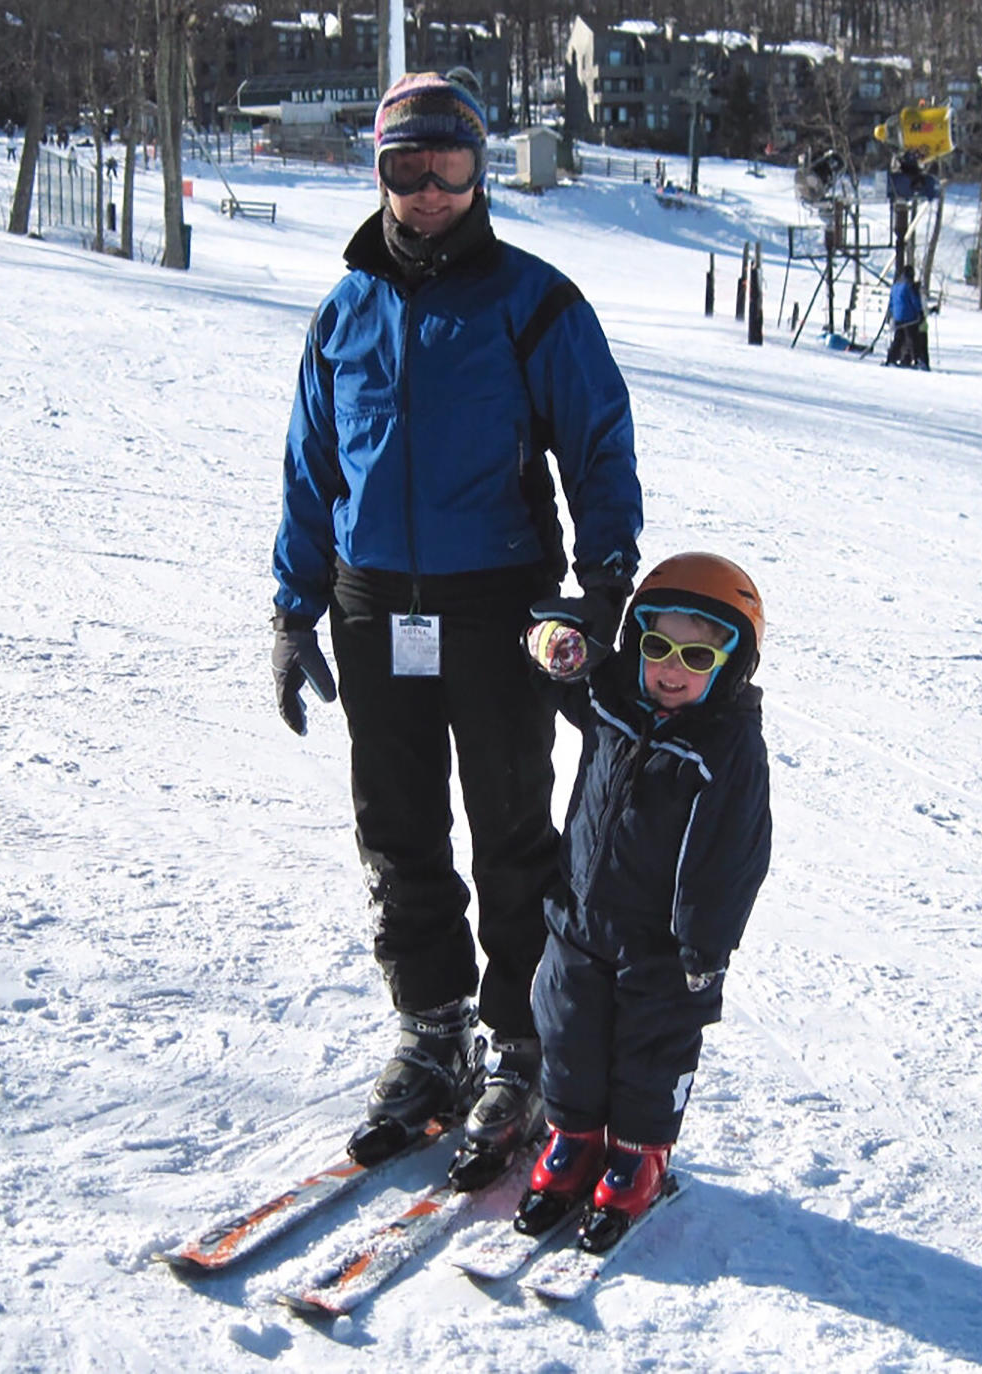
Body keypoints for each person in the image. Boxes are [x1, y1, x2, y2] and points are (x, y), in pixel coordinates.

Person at [270, 71, 643, 1188]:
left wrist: (606, 583)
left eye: (449, 170)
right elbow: (310, 470)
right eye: (404, 170)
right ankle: (432, 1031)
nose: (428, 193)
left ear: (480, 172)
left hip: (498, 604)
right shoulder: (344, 309)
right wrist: (294, 610)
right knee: (395, 825)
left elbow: (599, 443)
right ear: (376, 170)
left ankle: (521, 1045)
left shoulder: (535, 301)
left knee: (512, 825)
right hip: (373, 598)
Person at [513, 552, 771, 1252]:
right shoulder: (614, 697)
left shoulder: (728, 744)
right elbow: (558, 673)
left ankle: (638, 1156)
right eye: (657, 647)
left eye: (695, 654)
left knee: (649, 1052)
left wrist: (704, 949)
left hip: (662, 943)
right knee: (567, 1032)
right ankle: (572, 1139)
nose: (672, 668)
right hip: (580, 916)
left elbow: (733, 856)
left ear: (730, 662)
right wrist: (549, 644)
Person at [885, 263, 927, 368]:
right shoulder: (909, 286)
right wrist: (920, 312)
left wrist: (890, 314)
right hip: (909, 317)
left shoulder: (895, 286)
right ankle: (917, 360)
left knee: (898, 339)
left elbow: (891, 302)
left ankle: (891, 359)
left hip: (897, 316)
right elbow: (915, 301)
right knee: (914, 339)